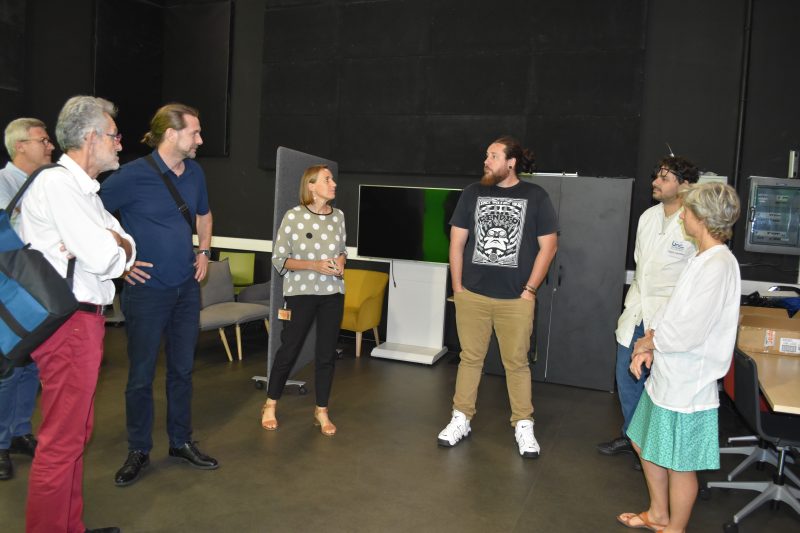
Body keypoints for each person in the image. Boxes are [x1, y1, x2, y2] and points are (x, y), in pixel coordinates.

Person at [20, 96, 135, 533]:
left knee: (75, 435)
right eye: (114, 136)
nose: (119, 144)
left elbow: (125, 250)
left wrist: (113, 242)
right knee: (61, 441)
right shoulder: (59, 186)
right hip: (68, 324)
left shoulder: (85, 191)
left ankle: (71, 526)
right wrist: (112, 244)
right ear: (91, 137)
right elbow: (108, 258)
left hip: (82, 321)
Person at [100, 103, 217, 487]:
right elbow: (92, 216)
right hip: (146, 293)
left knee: (182, 371)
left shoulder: (195, 172)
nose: (200, 140)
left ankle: (180, 441)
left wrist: (204, 250)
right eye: (194, 133)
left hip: (186, 289)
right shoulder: (131, 176)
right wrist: (121, 264)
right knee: (141, 376)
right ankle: (138, 449)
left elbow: (203, 213)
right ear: (171, 134)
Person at [616, 182, 741, 532]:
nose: (682, 215)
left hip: (689, 383)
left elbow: (690, 330)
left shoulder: (719, 265)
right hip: (668, 375)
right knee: (643, 440)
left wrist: (650, 345)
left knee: (679, 464)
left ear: (702, 217)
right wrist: (648, 340)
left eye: (688, 211)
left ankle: (675, 528)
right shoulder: (702, 257)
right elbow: (673, 309)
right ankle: (658, 514)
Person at [437, 136, 558, 458]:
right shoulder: (472, 193)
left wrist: (529, 290)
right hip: (472, 296)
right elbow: (456, 243)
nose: (486, 161)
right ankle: (461, 418)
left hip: (516, 300)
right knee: (469, 359)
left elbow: (549, 247)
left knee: (516, 363)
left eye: (493, 156)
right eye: (486, 156)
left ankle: (523, 424)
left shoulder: (536, 196)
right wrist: (458, 287)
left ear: (511, 162)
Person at [596, 157, 699, 468]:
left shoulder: (695, 222)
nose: (655, 182)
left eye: (665, 178)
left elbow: (693, 281)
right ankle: (633, 439)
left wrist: (664, 327)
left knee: (659, 389)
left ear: (685, 185)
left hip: (668, 321)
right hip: (637, 314)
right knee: (627, 381)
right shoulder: (648, 217)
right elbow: (642, 268)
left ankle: (654, 450)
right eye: (657, 176)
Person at [260, 165, 347, 436]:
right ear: (311, 185)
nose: (333, 183)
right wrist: (314, 265)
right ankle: (270, 404)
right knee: (289, 349)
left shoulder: (338, 216)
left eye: (332, 179)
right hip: (300, 294)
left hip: (333, 293)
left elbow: (342, 250)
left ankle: (322, 410)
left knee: (326, 354)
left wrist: (340, 263)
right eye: (327, 179)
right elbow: (279, 259)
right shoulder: (293, 216)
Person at [0, 118, 54, 481]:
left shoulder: (44, 184)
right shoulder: (2, 184)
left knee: (30, 367)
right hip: (8, 293)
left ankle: (19, 431)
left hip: (36, 291)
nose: (50, 146)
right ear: (20, 146)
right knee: (7, 371)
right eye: (42, 140)